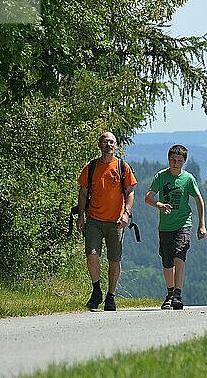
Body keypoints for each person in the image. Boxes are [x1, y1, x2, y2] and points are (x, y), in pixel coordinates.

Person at [76, 132, 137, 311]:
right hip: (94, 219)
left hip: (116, 221)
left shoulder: (122, 166)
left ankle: (111, 296)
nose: (108, 145)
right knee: (92, 255)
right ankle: (96, 291)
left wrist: (126, 213)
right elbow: (83, 192)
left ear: (116, 146)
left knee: (114, 260)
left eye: (111, 142)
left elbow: (130, 192)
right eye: (105, 142)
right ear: (99, 145)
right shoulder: (91, 167)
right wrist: (81, 215)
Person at [145, 145, 207, 310]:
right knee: (167, 262)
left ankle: (177, 294)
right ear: (168, 159)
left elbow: (199, 200)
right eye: (173, 160)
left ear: (184, 162)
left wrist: (202, 224)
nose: (175, 163)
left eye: (179, 160)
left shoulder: (188, 179)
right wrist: (159, 205)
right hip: (165, 226)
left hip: (183, 224)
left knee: (180, 255)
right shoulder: (161, 177)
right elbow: (148, 197)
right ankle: (170, 293)